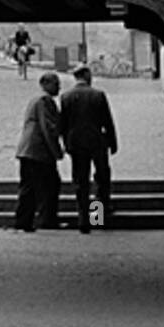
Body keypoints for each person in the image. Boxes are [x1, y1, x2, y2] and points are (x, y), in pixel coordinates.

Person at [60, 65, 118, 233]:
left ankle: (83, 220)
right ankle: (97, 217)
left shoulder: (66, 97)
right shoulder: (98, 95)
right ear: (86, 75)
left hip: (76, 144)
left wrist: (67, 144)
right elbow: (107, 121)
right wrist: (113, 143)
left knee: (80, 182)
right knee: (101, 179)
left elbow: (63, 125)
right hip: (97, 142)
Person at [12, 71, 63, 232]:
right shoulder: (44, 100)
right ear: (46, 84)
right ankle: (45, 220)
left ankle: (24, 222)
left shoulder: (35, 100)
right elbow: (48, 128)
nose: (59, 87)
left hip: (28, 150)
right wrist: (57, 151)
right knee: (49, 185)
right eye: (56, 84)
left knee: (30, 187)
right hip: (38, 152)